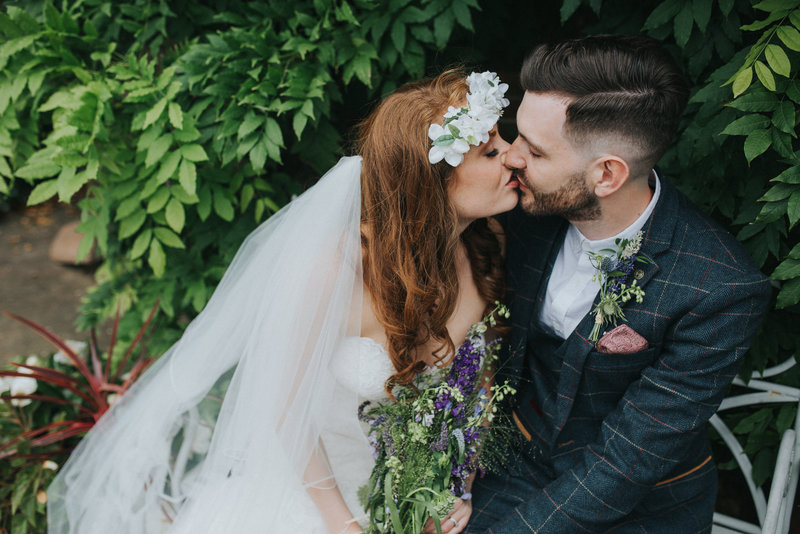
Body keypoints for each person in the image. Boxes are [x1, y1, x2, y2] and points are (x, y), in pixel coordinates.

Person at [46, 69, 518, 534]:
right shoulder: (335, 271)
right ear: (430, 180)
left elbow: (479, 384)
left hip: (424, 500)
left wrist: (458, 485)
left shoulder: (485, 245)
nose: (513, 157)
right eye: (490, 150)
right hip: (323, 500)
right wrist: (344, 525)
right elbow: (284, 408)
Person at [466, 35, 773, 533]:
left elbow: (625, 464)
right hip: (512, 459)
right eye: (515, 135)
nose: (512, 158)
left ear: (607, 174)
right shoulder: (519, 213)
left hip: (641, 506)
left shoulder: (720, 289)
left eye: (536, 151)